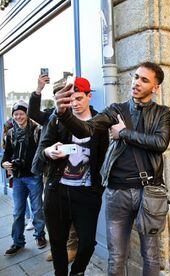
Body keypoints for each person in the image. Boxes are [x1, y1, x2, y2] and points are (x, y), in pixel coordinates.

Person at [54, 62, 170, 275]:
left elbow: (160, 142)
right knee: (116, 257)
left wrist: (124, 133)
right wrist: (63, 114)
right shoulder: (116, 110)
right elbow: (86, 129)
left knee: (151, 256)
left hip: (149, 193)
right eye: (136, 77)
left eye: (144, 80)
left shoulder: (162, 112)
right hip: (117, 193)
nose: (136, 82)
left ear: (155, 87)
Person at [36, 77, 109, 275]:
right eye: (71, 100)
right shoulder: (58, 119)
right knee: (58, 242)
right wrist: (48, 152)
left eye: (78, 98)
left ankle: (77, 271)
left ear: (89, 96)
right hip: (57, 190)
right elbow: (43, 148)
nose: (75, 103)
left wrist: (97, 190)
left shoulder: (99, 123)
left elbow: (102, 158)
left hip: (86, 193)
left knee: (86, 243)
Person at [28, 73, 79, 262]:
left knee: (70, 210)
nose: (63, 97)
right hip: (51, 171)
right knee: (52, 211)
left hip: (72, 170)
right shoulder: (51, 114)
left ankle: (72, 246)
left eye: (65, 93)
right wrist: (38, 90)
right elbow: (33, 114)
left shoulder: (77, 112)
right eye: (58, 94)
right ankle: (57, 246)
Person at [1, 100, 47, 256]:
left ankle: (40, 236)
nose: (18, 116)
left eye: (21, 113)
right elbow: (6, 156)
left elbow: (42, 153)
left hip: (34, 176)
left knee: (37, 209)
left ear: (27, 114)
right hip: (18, 177)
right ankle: (18, 242)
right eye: (15, 114)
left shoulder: (37, 130)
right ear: (12, 116)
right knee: (17, 211)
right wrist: (4, 164)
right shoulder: (10, 133)